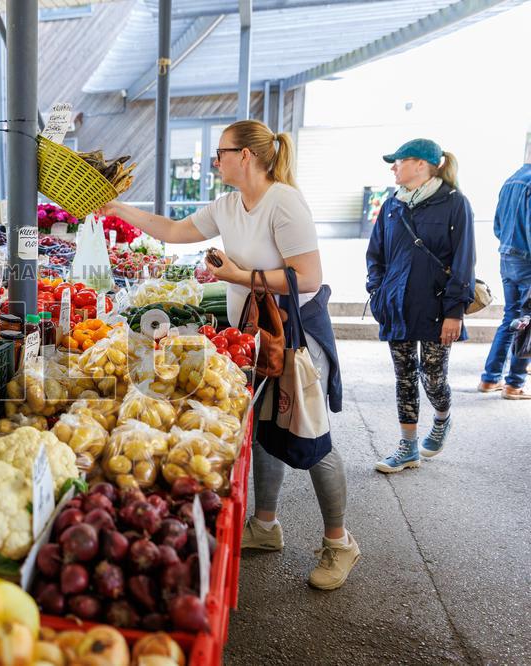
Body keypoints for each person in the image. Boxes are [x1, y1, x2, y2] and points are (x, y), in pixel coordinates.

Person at [99, 119, 358, 591]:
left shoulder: (284, 202)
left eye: (221, 152)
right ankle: (265, 525)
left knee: (310, 433)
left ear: (247, 156)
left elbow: (309, 277)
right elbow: (174, 230)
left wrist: (238, 276)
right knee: (262, 429)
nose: (215, 161)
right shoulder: (228, 205)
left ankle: (339, 543)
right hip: (256, 335)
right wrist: (119, 208)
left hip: (296, 334)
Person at [365, 139, 476, 473]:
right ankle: (408, 447)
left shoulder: (455, 203)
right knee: (404, 378)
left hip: (437, 308)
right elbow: (375, 255)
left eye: (398, 161)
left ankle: (442, 418)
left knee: (433, 378)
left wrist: (455, 312)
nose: (393, 167)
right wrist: (378, 292)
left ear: (421, 164)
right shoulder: (391, 205)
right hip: (396, 305)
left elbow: (464, 260)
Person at [478, 142, 531, 399]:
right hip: (527, 260)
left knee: (510, 317)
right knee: (527, 321)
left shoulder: (511, 180)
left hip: (507, 257)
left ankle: (490, 379)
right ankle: (514, 384)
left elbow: (498, 225)